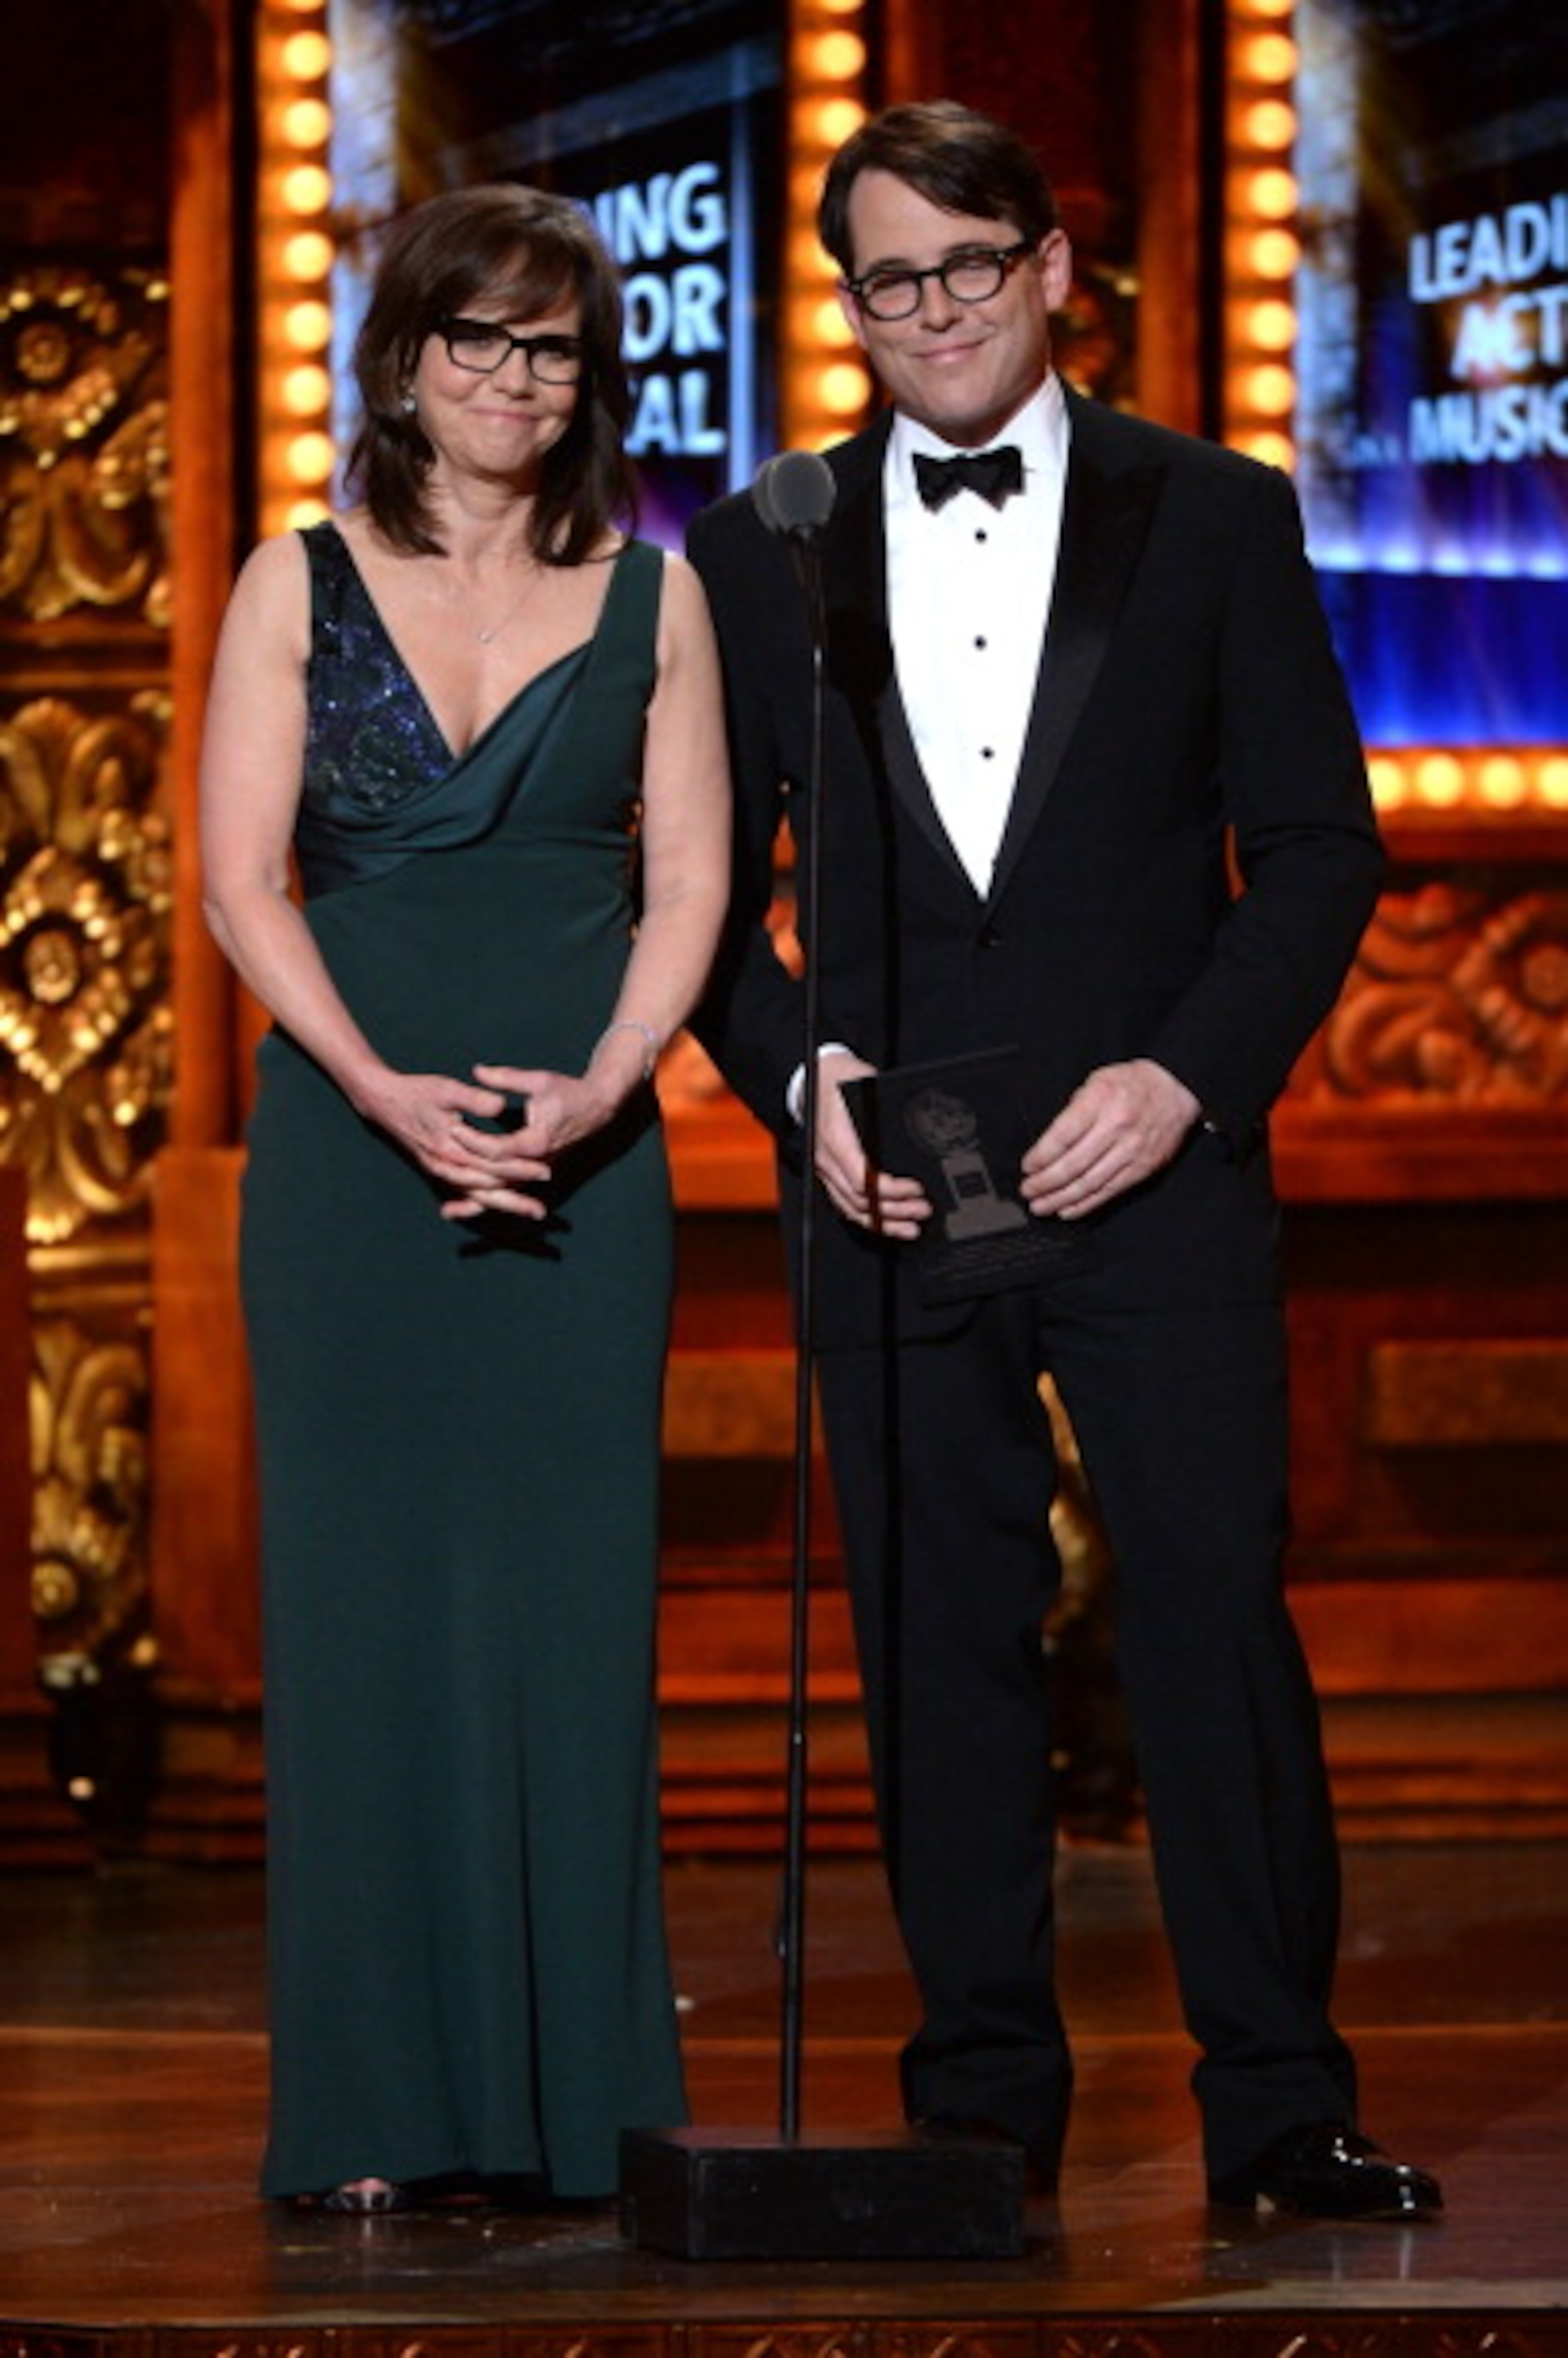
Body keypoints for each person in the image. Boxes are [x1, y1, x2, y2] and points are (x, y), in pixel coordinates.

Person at [688, 101, 1442, 2222]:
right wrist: (795, 1074)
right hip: (895, 1174)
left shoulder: (1213, 515)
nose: (926, 314)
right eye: (883, 281)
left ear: (1050, 270)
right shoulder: (771, 541)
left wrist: (1190, 1078)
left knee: (1212, 1620)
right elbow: (693, 889)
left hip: (1158, 1169)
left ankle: (1283, 2111)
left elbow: (1316, 850)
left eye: (964, 267)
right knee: (942, 1646)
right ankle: (981, 2115)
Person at [200, 183, 730, 2213]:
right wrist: (375, 1090)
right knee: (359, 1626)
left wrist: (605, 1086)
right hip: (349, 1162)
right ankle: (373, 2119)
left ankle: (577, 2104)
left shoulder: (655, 595)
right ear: (407, 357)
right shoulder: (295, 576)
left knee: (569, 1624)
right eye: (480, 339)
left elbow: (691, 882)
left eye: (555, 347)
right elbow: (245, 878)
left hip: (586, 1163)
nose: (517, 379)